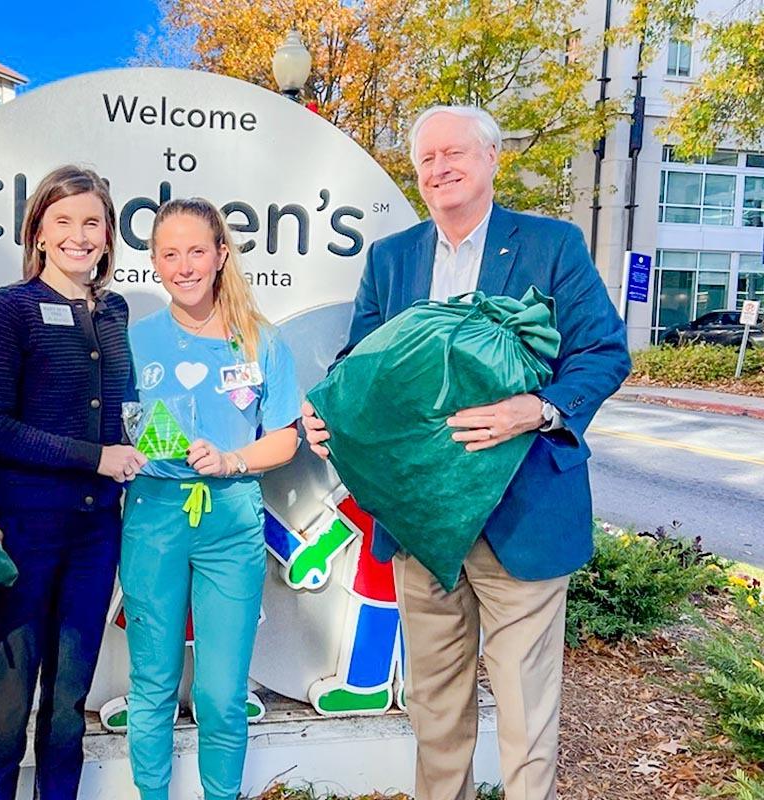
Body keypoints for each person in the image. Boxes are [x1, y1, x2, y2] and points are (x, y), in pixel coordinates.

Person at [302, 105, 631, 800]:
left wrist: (536, 408)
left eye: (455, 153)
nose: (440, 168)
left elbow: (602, 352)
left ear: (491, 158)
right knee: (435, 706)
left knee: (525, 708)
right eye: (426, 159)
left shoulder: (552, 245)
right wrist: (327, 406)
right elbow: (356, 364)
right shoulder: (394, 259)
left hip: (523, 511)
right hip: (422, 520)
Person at [0, 165, 146, 800]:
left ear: (108, 234)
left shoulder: (115, 310)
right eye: (63, 221)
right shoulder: (7, 310)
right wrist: (93, 456)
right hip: (22, 533)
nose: (79, 235)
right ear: (38, 231)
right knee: (9, 699)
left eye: (92, 222)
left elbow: (126, 409)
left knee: (70, 701)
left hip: (96, 534)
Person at [123, 197, 300, 800]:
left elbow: (283, 438)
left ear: (222, 254)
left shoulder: (261, 342)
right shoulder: (135, 338)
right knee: (152, 681)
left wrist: (232, 459)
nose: (184, 265)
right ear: (153, 262)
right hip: (153, 518)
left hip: (230, 521)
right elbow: (111, 424)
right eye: (168, 253)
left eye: (197, 250)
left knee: (222, 693)